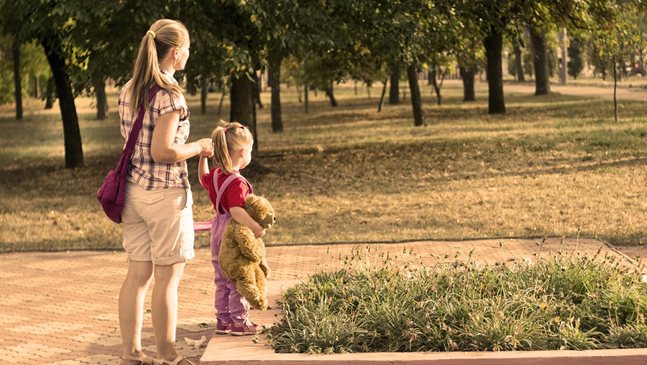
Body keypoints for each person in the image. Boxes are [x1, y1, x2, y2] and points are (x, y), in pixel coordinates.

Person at [117, 19, 213, 365]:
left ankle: (131, 353)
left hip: (132, 193)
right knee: (167, 279)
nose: (189, 54)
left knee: (137, 275)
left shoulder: (129, 89)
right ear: (175, 52)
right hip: (165, 195)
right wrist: (199, 145)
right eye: (187, 48)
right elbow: (163, 151)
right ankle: (169, 355)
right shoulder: (171, 97)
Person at [198, 121, 265, 336]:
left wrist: (202, 159)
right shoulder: (238, 182)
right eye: (251, 150)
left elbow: (202, 178)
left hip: (216, 228)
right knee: (238, 275)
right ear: (243, 152)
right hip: (232, 232)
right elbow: (237, 211)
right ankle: (240, 321)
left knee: (221, 278)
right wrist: (256, 227)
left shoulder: (217, 174)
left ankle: (223, 320)